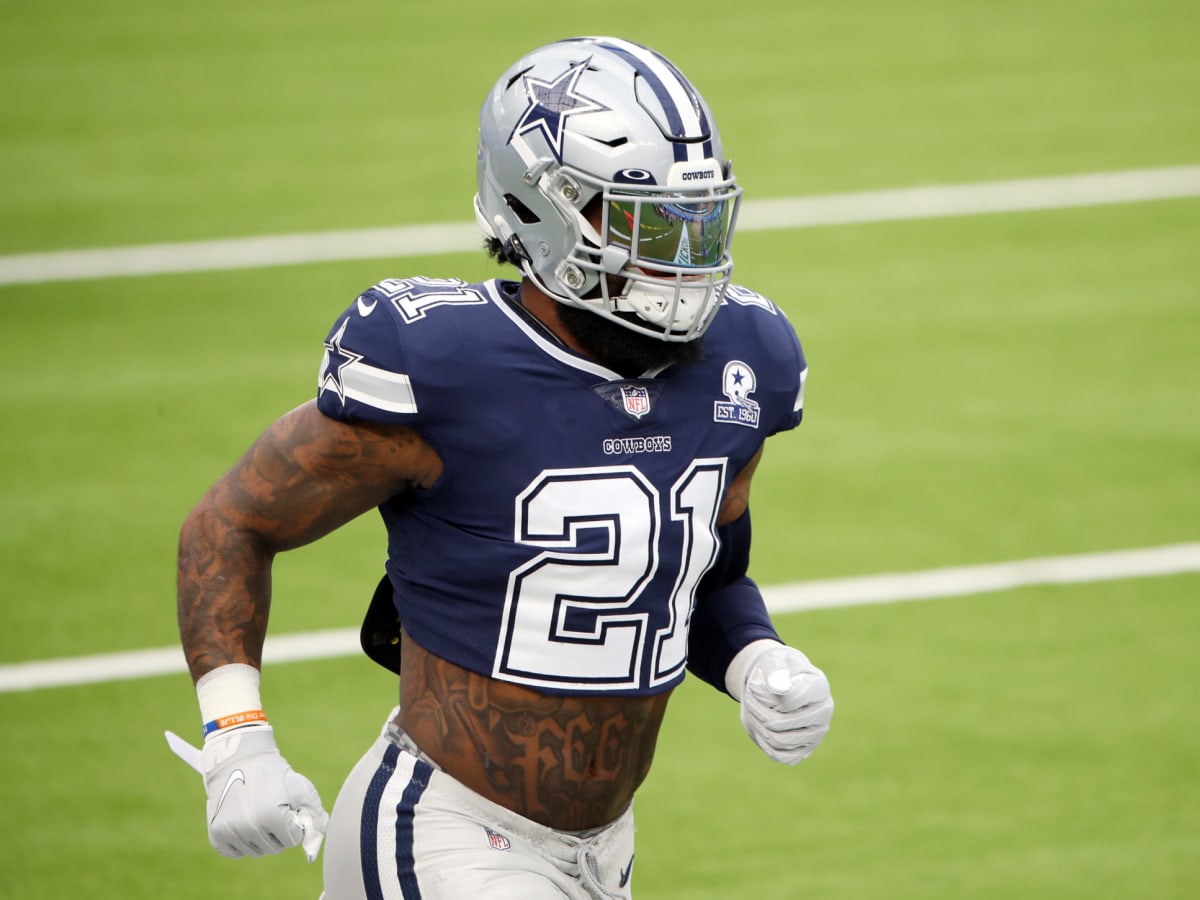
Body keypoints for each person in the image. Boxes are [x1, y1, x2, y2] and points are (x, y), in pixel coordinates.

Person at [175, 35, 834, 899]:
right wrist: (236, 739)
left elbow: (704, 576)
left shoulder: (745, 361)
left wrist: (756, 660)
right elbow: (233, 522)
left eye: (695, 219)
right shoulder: (443, 364)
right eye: (640, 221)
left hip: (603, 847)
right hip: (445, 830)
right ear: (539, 209)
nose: (680, 254)